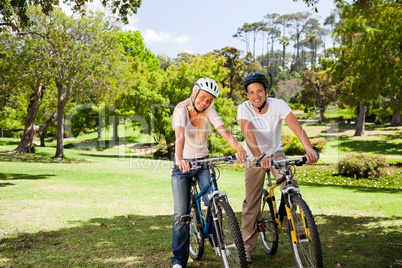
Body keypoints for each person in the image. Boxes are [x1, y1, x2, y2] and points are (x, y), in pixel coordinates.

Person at [236, 72, 318, 263]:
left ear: (266, 91)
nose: (255, 96)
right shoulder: (243, 109)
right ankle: (246, 248)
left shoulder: (278, 104)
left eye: (259, 91)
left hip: (276, 152)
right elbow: (248, 134)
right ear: (247, 95)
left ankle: (297, 229)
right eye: (251, 92)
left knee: (290, 186)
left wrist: (308, 148)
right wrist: (258, 157)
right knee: (252, 202)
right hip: (254, 156)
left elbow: (296, 127)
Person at [170, 77, 247, 268]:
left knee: (214, 201)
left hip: (203, 162)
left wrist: (239, 148)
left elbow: (222, 130)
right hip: (183, 166)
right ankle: (179, 260)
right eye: (203, 97)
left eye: (209, 100)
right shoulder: (181, 110)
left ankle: (216, 240)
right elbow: (179, 136)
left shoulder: (208, 110)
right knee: (181, 215)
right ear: (195, 91)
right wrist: (179, 159)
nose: (204, 102)